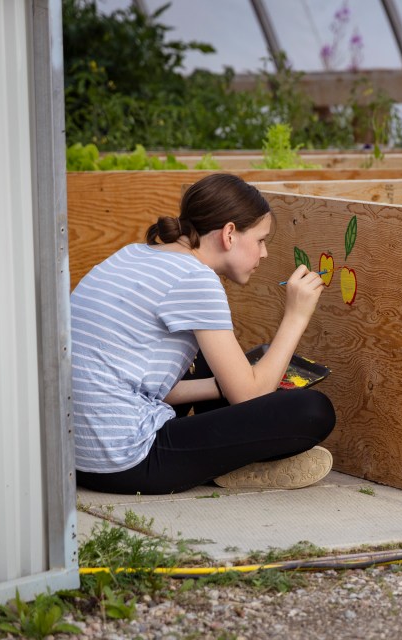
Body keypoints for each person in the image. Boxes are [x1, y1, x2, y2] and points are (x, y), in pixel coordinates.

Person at [72, 173, 336, 495]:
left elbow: (141, 384)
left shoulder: (132, 255)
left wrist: (219, 386)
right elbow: (249, 396)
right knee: (313, 411)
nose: (264, 254)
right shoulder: (194, 278)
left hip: (78, 458)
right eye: (261, 240)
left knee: (217, 360)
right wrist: (296, 316)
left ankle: (235, 464)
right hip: (128, 460)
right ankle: (238, 464)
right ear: (229, 234)